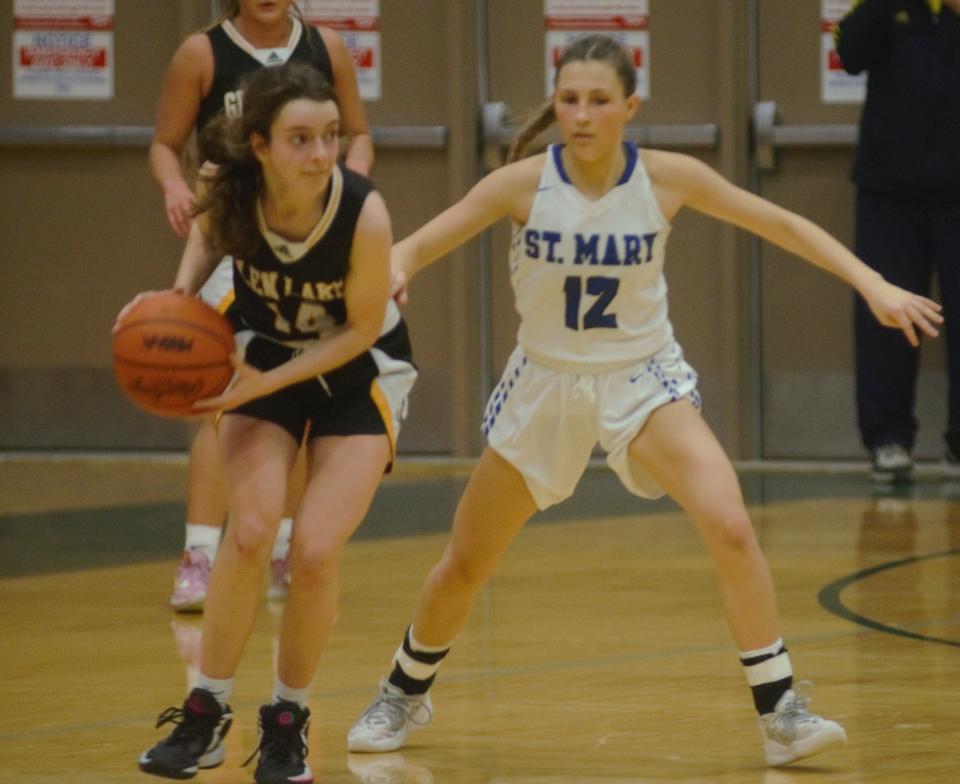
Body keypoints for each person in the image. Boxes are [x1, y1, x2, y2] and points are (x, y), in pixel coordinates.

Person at [344, 34, 942, 768]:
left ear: (631, 106)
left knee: (729, 524)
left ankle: (780, 709)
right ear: (556, 105)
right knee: (466, 562)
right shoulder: (522, 185)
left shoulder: (667, 177)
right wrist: (394, 271)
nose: (583, 115)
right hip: (547, 383)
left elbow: (783, 225)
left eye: (599, 101)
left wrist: (872, 283)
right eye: (569, 100)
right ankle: (404, 689)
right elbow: (417, 246)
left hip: (642, 378)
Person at [127, 61, 416, 783]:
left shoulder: (363, 212)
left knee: (314, 551)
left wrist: (261, 382)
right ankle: (206, 713)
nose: (321, 155)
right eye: (300, 139)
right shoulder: (232, 185)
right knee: (251, 531)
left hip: (357, 370)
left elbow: (357, 332)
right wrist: (173, 302)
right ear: (259, 144)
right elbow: (209, 237)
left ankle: (287, 721)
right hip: (261, 351)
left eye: (329, 137)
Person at [149, 0, 374, 611]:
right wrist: (175, 188)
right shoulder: (203, 52)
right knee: (222, 400)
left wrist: (348, 193)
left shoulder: (326, 47)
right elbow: (166, 144)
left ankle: (279, 545)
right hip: (237, 237)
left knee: (299, 397)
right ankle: (199, 552)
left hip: (308, 239)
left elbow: (359, 137)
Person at [835, 0, 960, 483]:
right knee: (885, 318)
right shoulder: (884, 7)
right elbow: (851, 53)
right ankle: (888, 439)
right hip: (889, 190)